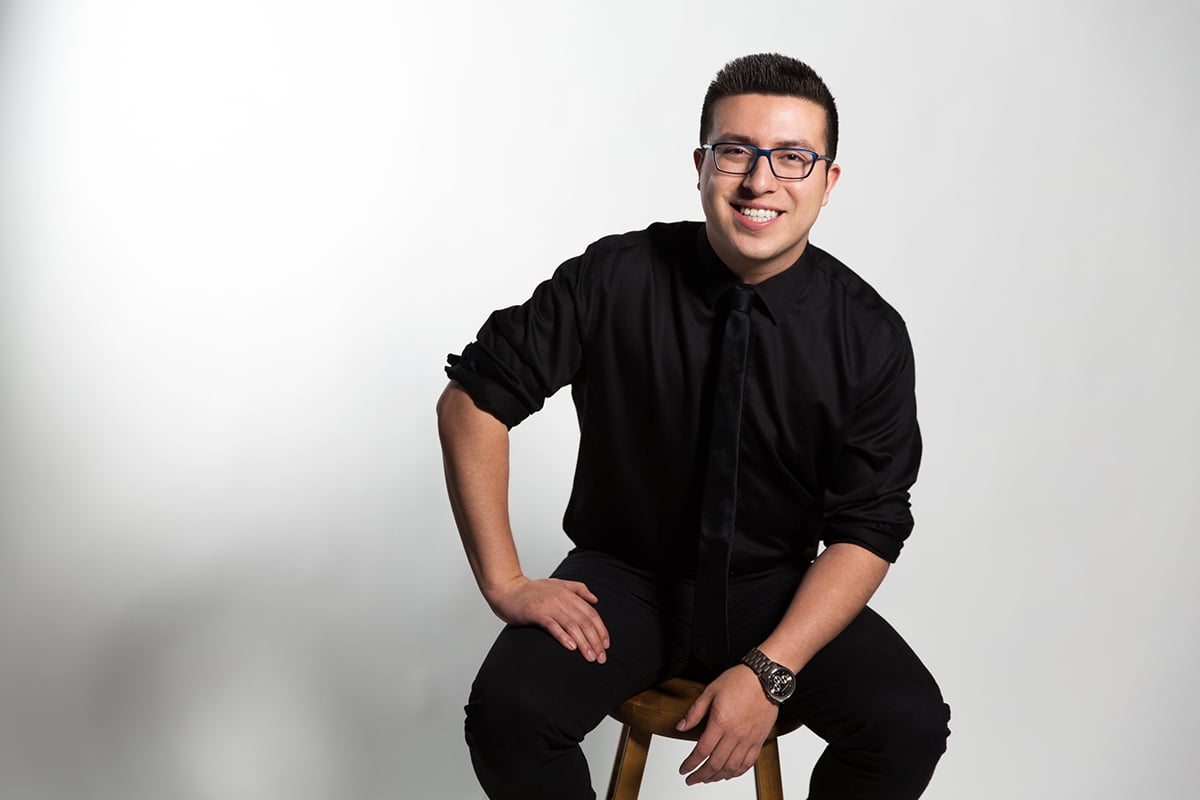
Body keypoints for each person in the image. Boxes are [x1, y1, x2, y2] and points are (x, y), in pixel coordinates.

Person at [437, 53, 950, 800]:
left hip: (772, 590)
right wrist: (505, 581)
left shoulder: (867, 334)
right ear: (702, 164)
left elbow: (868, 527)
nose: (760, 180)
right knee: (508, 714)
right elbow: (473, 401)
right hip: (625, 583)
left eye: (794, 157)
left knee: (905, 723)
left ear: (828, 181)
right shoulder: (614, 277)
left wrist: (771, 670)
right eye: (735, 150)